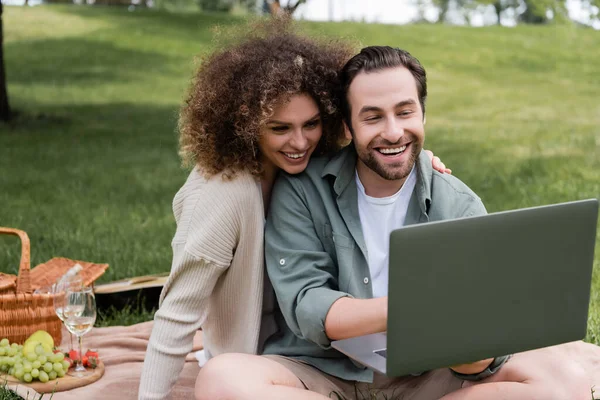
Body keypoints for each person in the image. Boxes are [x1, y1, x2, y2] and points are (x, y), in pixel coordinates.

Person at [194, 46, 590, 400]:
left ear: (422, 114)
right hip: (322, 372)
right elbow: (307, 304)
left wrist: (475, 344)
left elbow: (480, 357)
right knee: (222, 379)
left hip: (428, 376)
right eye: (373, 117)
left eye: (405, 112)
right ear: (347, 127)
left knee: (559, 385)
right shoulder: (303, 190)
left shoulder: (458, 203)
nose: (393, 132)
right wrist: (413, 308)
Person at [138, 25, 449, 399]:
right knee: (222, 380)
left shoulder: (310, 167)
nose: (300, 142)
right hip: (273, 367)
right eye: (280, 128)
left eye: (312, 124)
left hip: (339, 353)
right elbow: (177, 314)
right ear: (246, 125)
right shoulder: (223, 195)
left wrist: (418, 163)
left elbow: (381, 150)